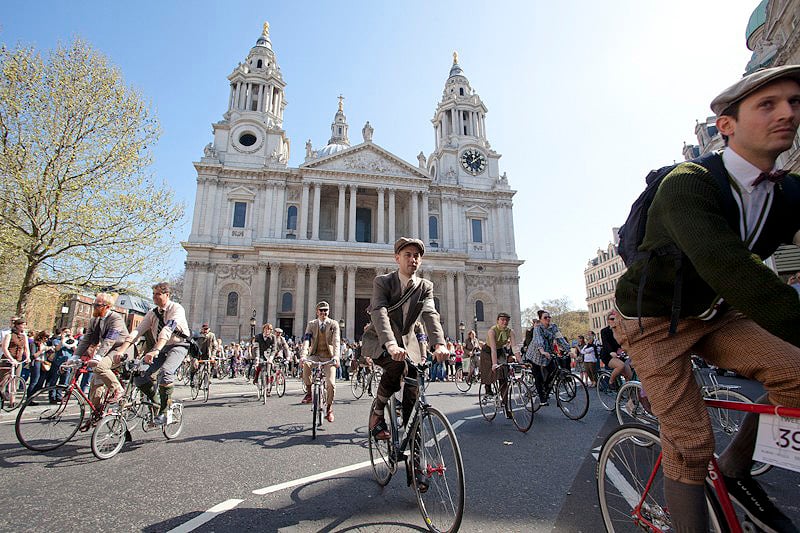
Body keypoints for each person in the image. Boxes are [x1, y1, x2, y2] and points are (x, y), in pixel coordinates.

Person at [614, 65, 800, 532]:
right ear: (727, 125)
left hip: (716, 312)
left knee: (797, 374)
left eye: (794, 103)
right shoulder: (689, 183)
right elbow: (732, 269)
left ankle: (737, 467)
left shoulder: (787, 192)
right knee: (691, 444)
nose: (788, 114)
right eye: (768, 104)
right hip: (653, 320)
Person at [364, 237, 448, 441]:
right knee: (397, 366)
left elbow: (430, 314)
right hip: (380, 341)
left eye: (417, 256)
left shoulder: (425, 286)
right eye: (408, 255)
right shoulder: (383, 282)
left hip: (408, 344)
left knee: (413, 385)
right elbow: (379, 311)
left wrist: (439, 344)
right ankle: (378, 410)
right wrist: (391, 344)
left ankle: (412, 439)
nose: (413, 259)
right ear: (397, 258)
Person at [112, 282, 190, 426]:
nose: (154, 297)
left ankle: (165, 412)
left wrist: (155, 350)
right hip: (160, 347)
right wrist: (122, 350)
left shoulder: (176, 308)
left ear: (167, 295)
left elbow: (168, 328)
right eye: (153, 294)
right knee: (138, 375)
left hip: (178, 345)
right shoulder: (152, 313)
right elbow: (137, 331)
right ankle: (157, 403)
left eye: (158, 294)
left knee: (166, 372)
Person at [74, 292, 133, 407]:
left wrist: (98, 356)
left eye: (98, 305)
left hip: (120, 350)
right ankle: (96, 414)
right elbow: (87, 339)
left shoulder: (116, 318)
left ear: (108, 307)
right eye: (94, 304)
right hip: (107, 352)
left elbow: (111, 339)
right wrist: (75, 356)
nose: (94, 307)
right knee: (95, 386)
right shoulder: (94, 320)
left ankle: (118, 389)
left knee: (100, 367)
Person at [299, 301, 340, 422]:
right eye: (321, 311)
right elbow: (306, 340)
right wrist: (303, 355)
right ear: (317, 312)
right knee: (306, 364)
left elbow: (336, 341)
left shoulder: (333, 324)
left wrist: (336, 356)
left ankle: (329, 407)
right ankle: (309, 392)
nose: (323, 313)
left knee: (331, 383)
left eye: (325, 311)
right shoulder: (311, 324)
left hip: (329, 357)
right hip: (315, 355)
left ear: (328, 312)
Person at [479, 312, 520, 418]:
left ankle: (506, 407)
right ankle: (488, 389)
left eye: (506, 320)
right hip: (487, 351)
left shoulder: (510, 332)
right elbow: (493, 349)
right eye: (502, 320)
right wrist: (494, 364)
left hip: (500, 351)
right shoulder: (492, 331)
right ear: (498, 321)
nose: (504, 322)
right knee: (490, 370)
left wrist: (521, 362)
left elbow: (515, 348)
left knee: (504, 376)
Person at [525, 310, 569, 406]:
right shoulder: (537, 328)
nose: (548, 319)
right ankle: (542, 399)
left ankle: (545, 388)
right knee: (538, 376)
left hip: (547, 353)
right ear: (540, 320)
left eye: (549, 317)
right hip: (535, 354)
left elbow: (560, 338)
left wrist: (569, 350)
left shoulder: (553, 327)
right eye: (545, 317)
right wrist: (542, 351)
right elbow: (538, 339)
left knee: (553, 370)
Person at [599, 311, 632, 386]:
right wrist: (611, 352)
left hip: (619, 355)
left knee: (629, 376)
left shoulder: (621, 330)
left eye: (615, 319)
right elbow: (605, 343)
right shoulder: (604, 331)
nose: (614, 320)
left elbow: (624, 341)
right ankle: (611, 381)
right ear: (608, 321)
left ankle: (630, 396)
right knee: (621, 366)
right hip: (608, 355)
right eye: (612, 319)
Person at [1, 318, 29, 403]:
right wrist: (11, 359)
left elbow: (26, 348)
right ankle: (2, 396)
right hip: (8, 360)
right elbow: (5, 348)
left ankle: (12, 402)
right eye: (22, 325)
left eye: (25, 325)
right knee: (3, 381)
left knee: (15, 381)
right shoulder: (9, 335)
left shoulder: (24, 336)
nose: (23, 326)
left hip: (18, 360)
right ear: (17, 325)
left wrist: (27, 357)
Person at [253, 323, 276, 391]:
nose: (267, 331)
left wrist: (271, 358)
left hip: (268, 355)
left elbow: (274, 349)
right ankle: (256, 378)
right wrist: (257, 358)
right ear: (263, 329)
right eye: (266, 329)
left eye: (269, 329)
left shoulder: (273, 337)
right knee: (259, 365)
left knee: (268, 370)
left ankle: (268, 386)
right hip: (260, 354)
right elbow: (256, 348)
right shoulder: (258, 336)